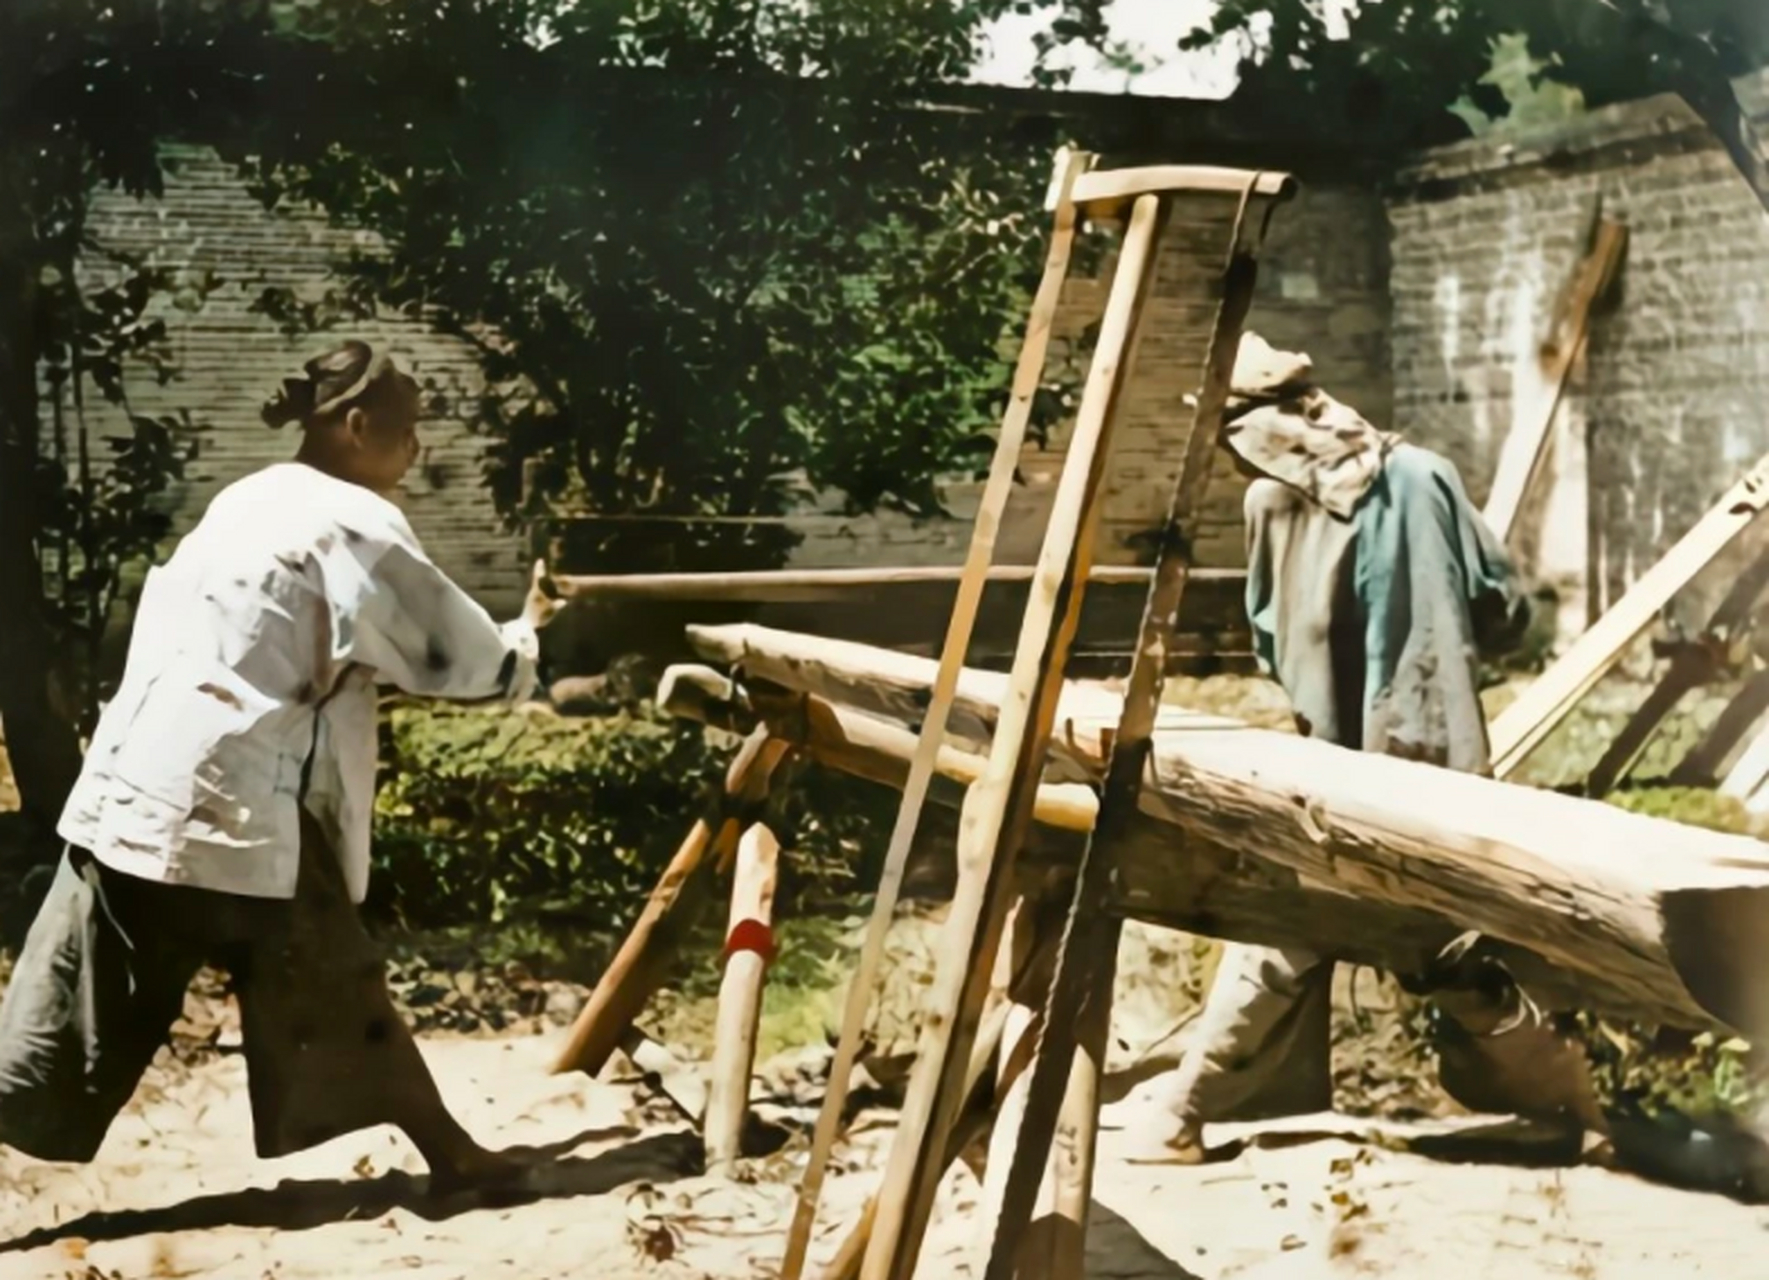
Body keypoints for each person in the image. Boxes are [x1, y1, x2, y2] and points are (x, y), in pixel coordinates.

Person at [0, 341, 563, 1194]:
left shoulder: (248, 497)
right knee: (332, 974)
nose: (416, 452)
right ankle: (453, 1156)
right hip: (230, 795)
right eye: (408, 431)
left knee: (73, 1013)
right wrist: (526, 640)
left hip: (138, 781)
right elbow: (451, 654)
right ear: (357, 423)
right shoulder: (354, 521)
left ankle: (451, 1153)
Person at [1150, 332, 1541, 1163]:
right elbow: (1506, 613)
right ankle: (1571, 1105)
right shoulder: (1426, 475)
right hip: (1437, 768)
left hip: (1328, 763)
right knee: (1448, 939)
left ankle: (1180, 1113)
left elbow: (1264, 637)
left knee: (1304, 931)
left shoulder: (1268, 505)